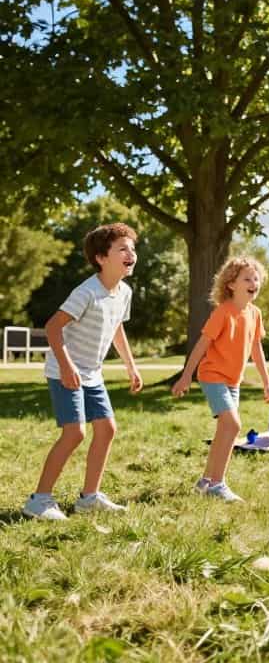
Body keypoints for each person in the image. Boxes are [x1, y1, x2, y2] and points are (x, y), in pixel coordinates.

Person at [23, 223, 143, 520]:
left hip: (92, 373)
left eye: (132, 248)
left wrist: (131, 366)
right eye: (122, 249)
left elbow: (117, 329)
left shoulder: (123, 292)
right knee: (74, 433)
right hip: (65, 370)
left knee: (107, 429)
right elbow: (52, 328)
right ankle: (39, 500)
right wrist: (66, 366)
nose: (131, 254)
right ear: (101, 258)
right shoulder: (87, 291)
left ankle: (89, 497)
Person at [172, 256, 269, 503]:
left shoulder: (255, 313)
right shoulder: (223, 312)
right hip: (212, 376)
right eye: (247, 278)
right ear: (231, 284)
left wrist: (267, 382)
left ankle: (206, 480)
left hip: (233, 381)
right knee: (233, 426)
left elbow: (256, 349)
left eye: (256, 278)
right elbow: (201, 345)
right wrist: (186, 376)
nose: (254, 282)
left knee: (224, 431)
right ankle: (218, 485)